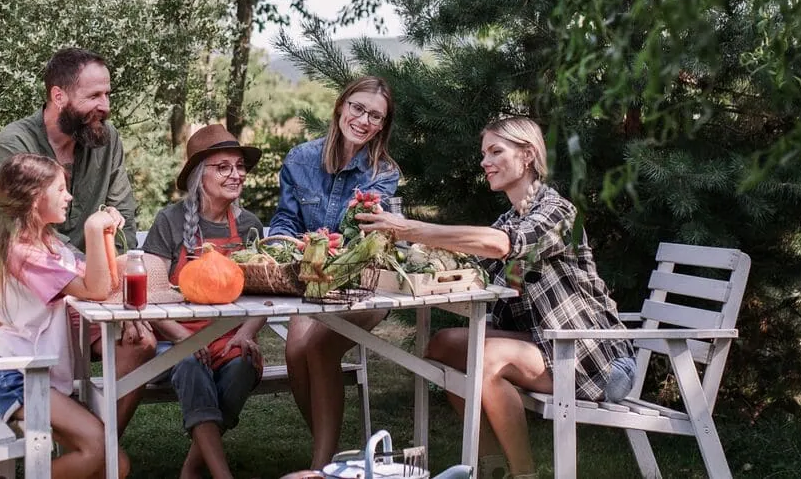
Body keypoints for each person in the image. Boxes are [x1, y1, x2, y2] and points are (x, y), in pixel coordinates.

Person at [354, 117, 637, 479]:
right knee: (442, 345)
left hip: (594, 357)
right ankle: (491, 469)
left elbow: (504, 245)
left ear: (528, 156)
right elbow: (484, 272)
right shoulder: (512, 216)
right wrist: (408, 250)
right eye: (483, 153)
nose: (485, 161)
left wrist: (413, 228)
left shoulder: (557, 212)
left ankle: (523, 475)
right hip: (548, 345)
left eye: (495, 151)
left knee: (484, 359)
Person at [0, 47, 155, 437]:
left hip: (83, 283)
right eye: (94, 97)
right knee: (6, 380)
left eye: (108, 95)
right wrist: (91, 277)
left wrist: (113, 296)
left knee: (140, 344)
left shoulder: (107, 140)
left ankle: (98, 450)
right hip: (7, 285)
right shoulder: (14, 142)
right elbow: (22, 234)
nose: (105, 106)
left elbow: (125, 221)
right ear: (58, 96)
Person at [268, 76, 402, 468]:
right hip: (312, 282)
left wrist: (335, 245)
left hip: (364, 285)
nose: (363, 120)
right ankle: (338, 461)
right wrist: (280, 244)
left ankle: (320, 465)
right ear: (341, 107)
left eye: (375, 116)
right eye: (357, 108)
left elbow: (372, 239)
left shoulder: (383, 173)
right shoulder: (300, 159)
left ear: (382, 125)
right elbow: (285, 221)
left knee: (319, 347)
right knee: (295, 351)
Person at [0, 153, 130, 478]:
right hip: (18, 378)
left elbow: (106, 279)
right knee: (98, 450)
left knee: (117, 466)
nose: (69, 197)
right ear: (35, 197)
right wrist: (91, 226)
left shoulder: (49, 245)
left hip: (40, 378)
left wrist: (106, 235)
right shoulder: (23, 253)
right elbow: (97, 290)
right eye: (61, 189)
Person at [138, 124, 267, 479]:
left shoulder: (250, 226)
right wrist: (182, 337)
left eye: (239, 166)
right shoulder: (170, 221)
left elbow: (263, 297)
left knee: (244, 365)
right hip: (172, 339)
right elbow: (150, 292)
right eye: (223, 166)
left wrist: (249, 333)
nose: (235, 174)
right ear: (200, 175)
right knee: (190, 365)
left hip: (230, 340)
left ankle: (192, 468)